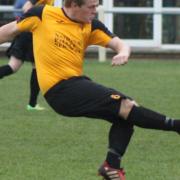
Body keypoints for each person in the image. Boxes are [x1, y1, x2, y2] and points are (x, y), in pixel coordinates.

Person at [0, 0, 179, 179]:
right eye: (91, 7)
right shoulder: (41, 15)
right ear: (73, 5)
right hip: (60, 90)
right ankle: (175, 125)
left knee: (126, 111)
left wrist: (123, 52)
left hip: (75, 85)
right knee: (126, 106)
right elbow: (6, 33)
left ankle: (112, 165)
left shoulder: (91, 25)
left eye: (97, 5)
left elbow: (120, 44)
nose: (96, 10)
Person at [0, 0, 55, 111]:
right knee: (34, 68)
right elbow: (26, 7)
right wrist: (36, 20)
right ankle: (32, 105)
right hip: (30, 34)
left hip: (30, 33)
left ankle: (32, 105)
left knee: (15, 67)